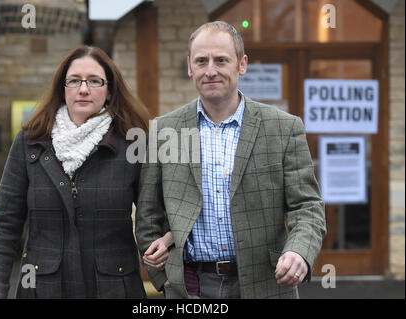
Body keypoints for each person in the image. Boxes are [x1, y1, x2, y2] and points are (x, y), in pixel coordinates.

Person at [135, 21, 326, 299]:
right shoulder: (165, 130)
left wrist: (299, 251)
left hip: (266, 285)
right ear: (190, 67)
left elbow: (307, 206)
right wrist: (163, 280)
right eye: (201, 61)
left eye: (221, 60)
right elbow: (147, 214)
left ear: (242, 64)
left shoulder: (283, 128)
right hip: (189, 288)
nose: (210, 71)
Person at [0, 45, 170, 299]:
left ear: (110, 90)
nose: (83, 89)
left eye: (94, 81)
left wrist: (166, 246)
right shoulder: (30, 142)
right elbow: (3, 226)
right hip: (41, 290)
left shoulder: (133, 145)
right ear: (62, 88)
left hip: (114, 290)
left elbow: (159, 215)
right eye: (74, 81)